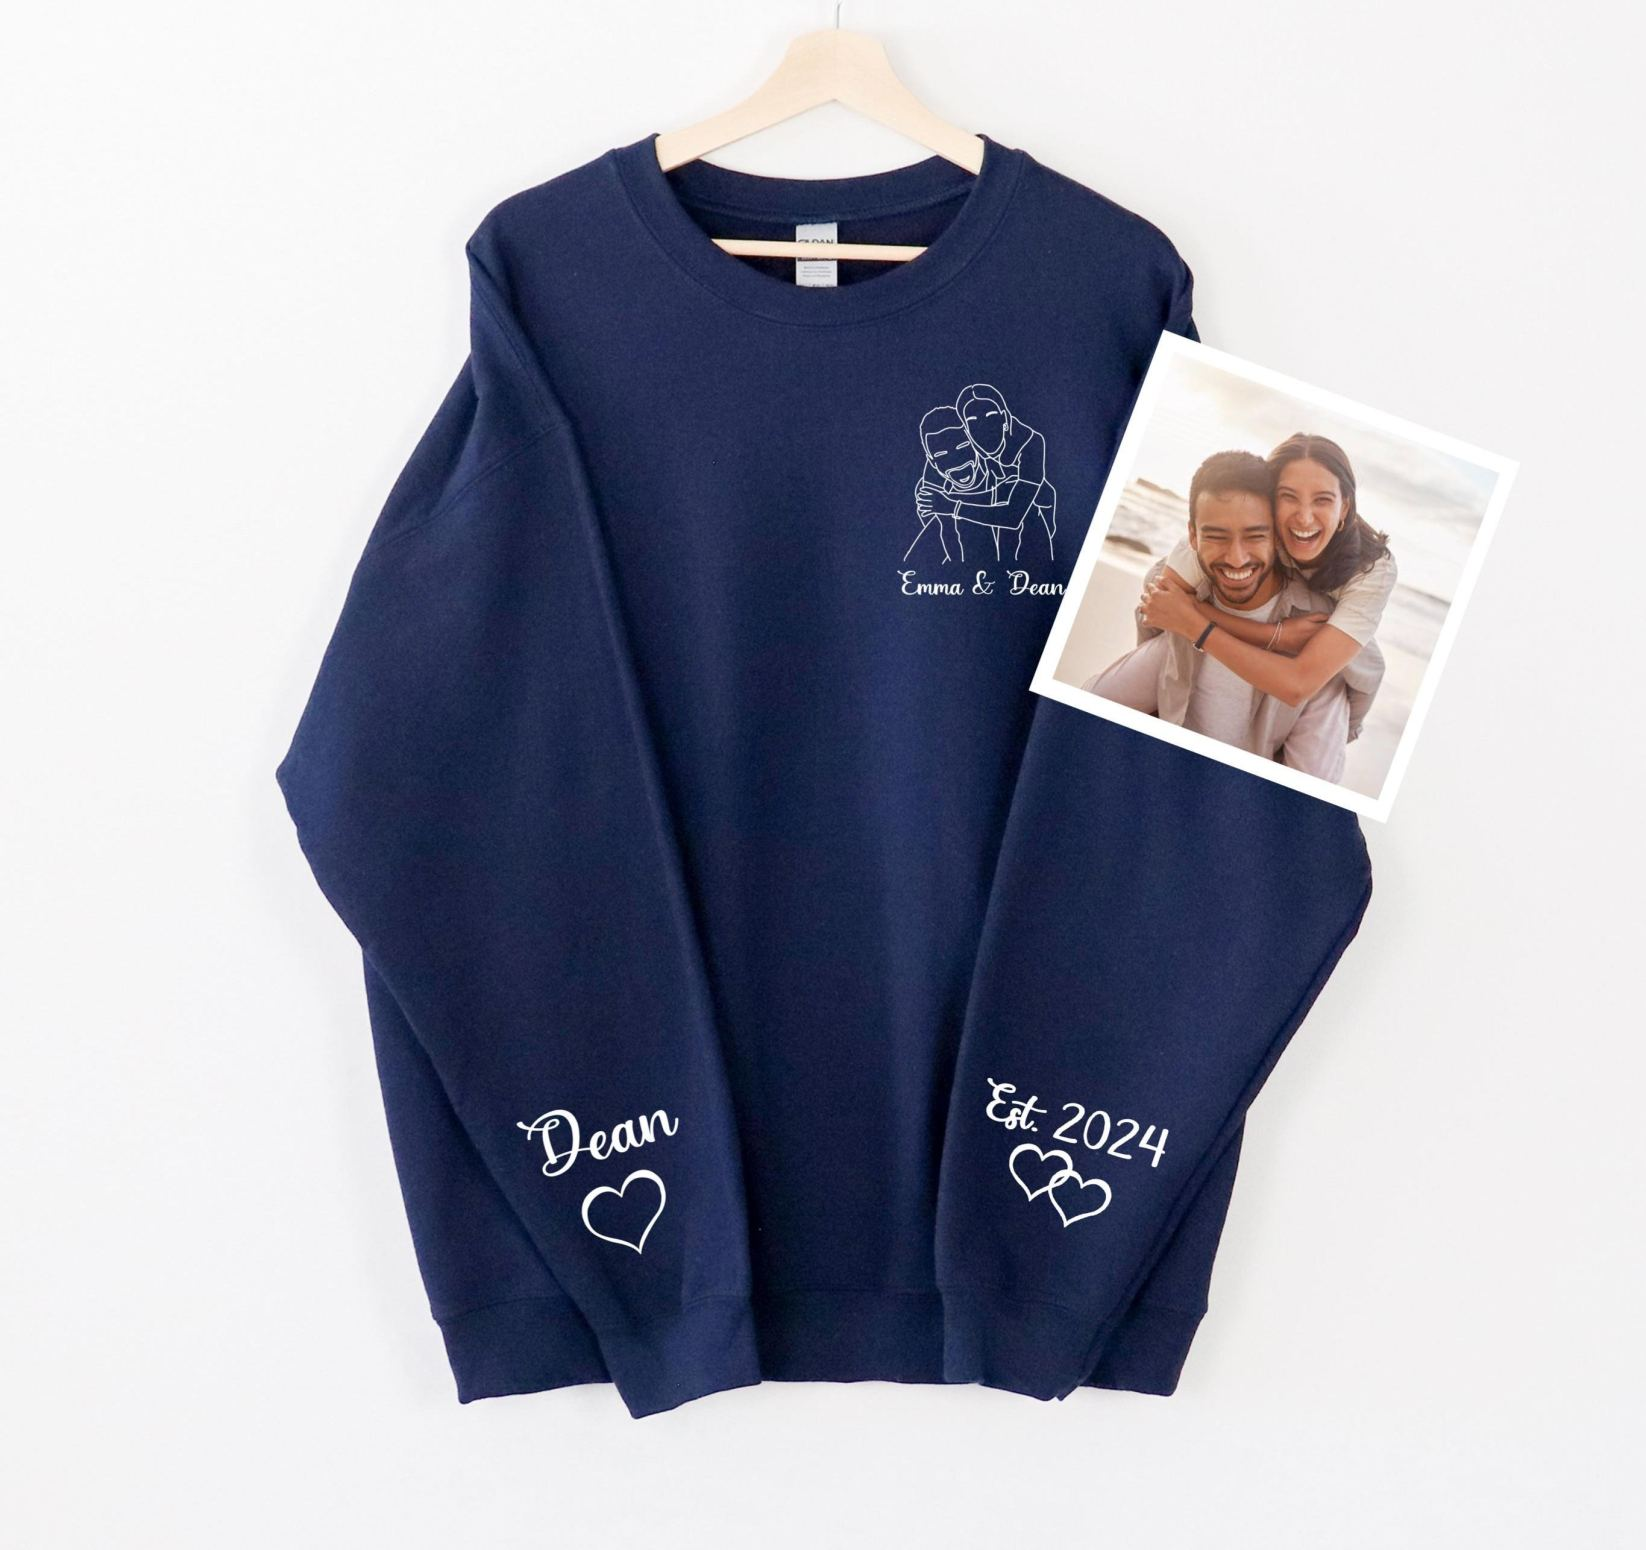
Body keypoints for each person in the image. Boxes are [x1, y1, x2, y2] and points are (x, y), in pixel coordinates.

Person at [1084, 450, 1353, 781]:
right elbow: (1090, 707)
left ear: (1278, 537)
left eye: (1255, 536)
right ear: (1193, 536)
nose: (1236, 559)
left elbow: (1307, 793)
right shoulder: (1176, 609)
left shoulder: (1318, 643)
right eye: (1216, 536)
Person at [1140, 433, 1395, 724]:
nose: (1304, 518)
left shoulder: (1373, 570)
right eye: (1289, 497)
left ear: (1345, 508)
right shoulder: (1251, 531)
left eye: (1322, 500)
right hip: (1278, 614)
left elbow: (1298, 683)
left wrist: (1198, 622)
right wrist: (1275, 635)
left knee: (1365, 666)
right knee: (1154, 581)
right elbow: (1163, 604)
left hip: (1333, 640)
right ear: (1269, 499)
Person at [915, 382, 1057, 562]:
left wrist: (952, 506)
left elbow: (1013, 516)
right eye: (973, 422)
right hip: (993, 497)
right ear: (966, 429)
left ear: (1004, 418)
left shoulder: (1030, 443)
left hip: (1027, 499)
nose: (983, 427)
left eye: (991, 417)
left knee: (1043, 496)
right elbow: (930, 506)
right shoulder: (947, 446)